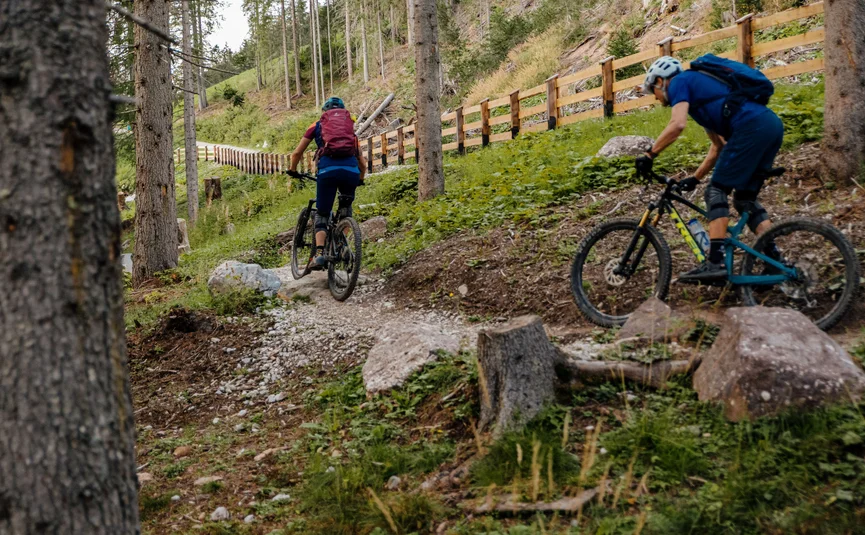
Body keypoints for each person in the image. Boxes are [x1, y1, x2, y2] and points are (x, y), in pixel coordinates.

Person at [635, 56, 784, 282]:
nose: (657, 99)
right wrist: (695, 178)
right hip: (769, 126)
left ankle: (715, 262)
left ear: (659, 81)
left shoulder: (679, 82)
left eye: (652, 91)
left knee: (715, 191)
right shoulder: (701, 98)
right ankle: (776, 262)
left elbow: (677, 124)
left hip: (751, 129)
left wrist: (650, 154)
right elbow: (718, 146)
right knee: (744, 199)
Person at [288, 97, 367, 269]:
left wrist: (293, 170)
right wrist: (360, 179)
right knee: (345, 211)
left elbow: (296, 153)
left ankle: (320, 254)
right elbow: (362, 163)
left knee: (323, 213)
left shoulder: (316, 126)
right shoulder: (350, 133)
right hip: (351, 173)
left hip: (327, 172)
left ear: (324, 112)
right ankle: (343, 246)